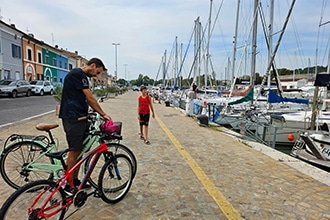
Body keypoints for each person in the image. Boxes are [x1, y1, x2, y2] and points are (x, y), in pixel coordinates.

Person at [59, 57, 111, 190]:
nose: (97, 75)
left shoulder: (80, 76)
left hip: (80, 118)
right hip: (73, 118)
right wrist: (103, 114)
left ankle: (75, 181)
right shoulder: (78, 74)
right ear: (92, 66)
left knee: (80, 151)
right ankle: (68, 184)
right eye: (97, 72)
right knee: (74, 150)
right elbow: (90, 97)